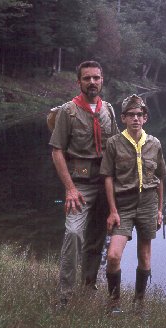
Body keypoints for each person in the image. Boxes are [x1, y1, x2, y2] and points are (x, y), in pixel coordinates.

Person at [49, 60, 119, 306]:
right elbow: (57, 151)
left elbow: (118, 148)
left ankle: (89, 285)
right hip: (79, 185)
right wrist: (69, 189)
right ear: (78, 82)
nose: (92, 82)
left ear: (102, 81)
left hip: (105, 184)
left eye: (96, 78)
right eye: (87, 78)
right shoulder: (68, 111)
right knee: (73, 233)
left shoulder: (108, 110)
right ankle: (65, 295)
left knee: (96, 239)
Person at [100, 94, 166, 312]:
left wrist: (159, 210)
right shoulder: (114, 143)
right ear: (124, 118)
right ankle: (114, 302)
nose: (136, 119)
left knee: (145, 256)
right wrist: (112, 210)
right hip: (123, 205)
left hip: (148, 203)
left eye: (140, 115)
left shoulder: (154, 144)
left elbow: (160, 178)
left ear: (145, 118)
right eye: (131, 115)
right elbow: (108, 177)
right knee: (113, 255)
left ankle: (139, 302)